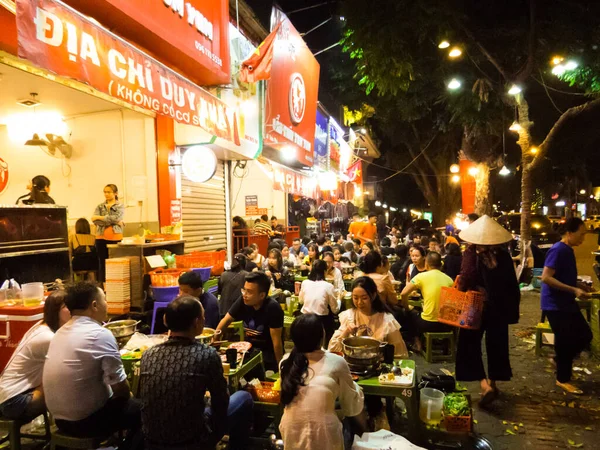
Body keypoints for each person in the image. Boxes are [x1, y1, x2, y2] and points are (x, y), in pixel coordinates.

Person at [140, 296, 253, 450]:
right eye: (203, 317)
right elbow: (221, 402)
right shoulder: (206, 354)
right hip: (193, 442)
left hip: (151, 441)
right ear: (196, 322)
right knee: (244, 398)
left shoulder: (148, 354)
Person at [43, 282, 141, 438]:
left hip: (60, 420)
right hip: (86, 422)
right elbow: (120, 389)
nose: (107, 304)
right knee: (145, 410)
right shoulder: (100, 334)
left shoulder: (59, 333)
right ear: (95, 305)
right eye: (105, 300)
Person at [455, 215, 520, 407]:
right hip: (500, 307)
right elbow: (511, 284)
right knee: (497, 344)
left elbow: (466, 278)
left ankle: (484, 385)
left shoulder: (471, 254)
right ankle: (493, 382)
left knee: (468, 344)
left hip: (475, 306)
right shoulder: (503, 255)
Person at [279, 314, 364, 450]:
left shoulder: (285, 362)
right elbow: (351, 407)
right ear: (321, 336)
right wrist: (357, 389)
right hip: (324, 433)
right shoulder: (336, 362)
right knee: (350, 425)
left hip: (290, 431)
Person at [541, 218, 593, 394]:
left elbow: (564, 275)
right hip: (554, 304)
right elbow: (546, 277)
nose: (583, 238)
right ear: (570, 233)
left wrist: (580, 285)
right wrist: (573, 289)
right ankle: (562, 379)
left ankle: (559, 360)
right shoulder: (558, 249)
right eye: (582, 234)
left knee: (584, 335)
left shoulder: (567, 250)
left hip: (565, 303)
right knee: (566, 340)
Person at [0, 291, 70, 420]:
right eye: (66, 306)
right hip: (13, 401)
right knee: (67, 384)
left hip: (8, 395)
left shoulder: (42, 326)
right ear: (55, 312)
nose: (72, 311)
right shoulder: (48, 337)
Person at [216, 272, 284, 371]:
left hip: (267, 355)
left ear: (262, 295)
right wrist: (216, 339)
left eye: (249, 292)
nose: (245, 295)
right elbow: (226, 320)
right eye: (244, 290)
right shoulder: (243, 300)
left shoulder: (273, 308)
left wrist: (280, 369)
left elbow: (277, 343)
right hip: (248, 351)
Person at [329, 277, 408, 357]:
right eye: (355, 298)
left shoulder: (387, 320)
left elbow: (399, 353)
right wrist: (346, 332)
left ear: (373, 296)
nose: (359, 302)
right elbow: (332, 349)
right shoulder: (349, 316)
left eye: (364, 298)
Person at [400, 252, 454, 351]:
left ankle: (417, 342)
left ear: (426, 264)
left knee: (410, 314)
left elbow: (403, 294)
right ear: (440, 264)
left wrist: (407, 308)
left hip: (427, 324)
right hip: (447, 324)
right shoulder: (449, 280)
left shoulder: (421, 277)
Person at [299, 260, 339, 344]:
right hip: (322, 321)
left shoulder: (305, 283)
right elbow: (335, 310)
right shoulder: (328, 286)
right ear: (324, 271)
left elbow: (301, 301)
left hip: (305, 319)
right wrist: (339, 299)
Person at [92, 184, 125, 283]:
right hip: (100, 237)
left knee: (115, 263)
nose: (106, 194)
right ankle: (104, 287)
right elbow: (94, 220)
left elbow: (117, 218)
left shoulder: (120, 206)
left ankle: (115, 285)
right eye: (105, 192)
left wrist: (101, 218)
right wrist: (114, 220)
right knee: (102, 263)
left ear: (115, 193)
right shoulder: (100, 206)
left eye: (109, 192)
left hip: (115, 237)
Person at [218, 254, 249, 318]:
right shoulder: (246, 275)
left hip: (222, 313)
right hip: (238, 315)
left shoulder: (223, 275)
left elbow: (219, 292)